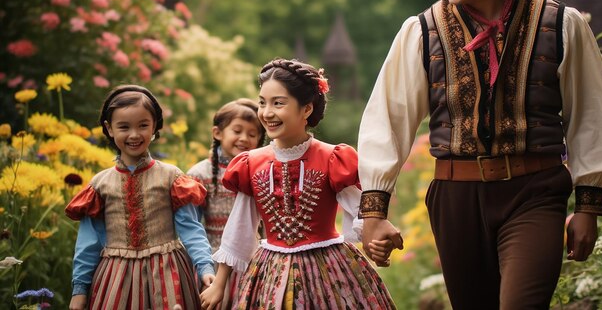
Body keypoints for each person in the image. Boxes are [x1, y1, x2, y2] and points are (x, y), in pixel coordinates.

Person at [357, 0, 602, 309]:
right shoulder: (421, 32)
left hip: (535, 193)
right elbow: (388, 119)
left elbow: (590, 116)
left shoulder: (561, 23)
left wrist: (589, 205)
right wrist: (374, 213)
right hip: (456, 198)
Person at [200, 58, 395, 309]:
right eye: (262, 103)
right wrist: (220, 283)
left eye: (278, 103)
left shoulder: (332, 158)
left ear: (306, 109)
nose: (267, 112)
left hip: (329, 269)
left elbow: (363, 212)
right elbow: (240, 228)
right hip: (270, 272)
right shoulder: (251, 163)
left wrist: (377, 237)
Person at [66, 85, 215, 310]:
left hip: (167, 276)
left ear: (154, 125)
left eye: (143, 125)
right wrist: (80, 289)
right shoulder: (100, 184)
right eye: (124, 127)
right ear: (109, 128)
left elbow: (191, 229)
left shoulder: (171, 177)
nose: (134, 135)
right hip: (116, 280)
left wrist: (205, 267)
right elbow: (89, 242)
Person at [187, 98, 265, 308]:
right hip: (211, 262)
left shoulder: (261, 173)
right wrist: (202, 265)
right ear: (217, 133)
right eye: (237, 131)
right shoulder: (199, 175)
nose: (244, 138)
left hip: (251, 262)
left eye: (252, 134)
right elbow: (192, 226)